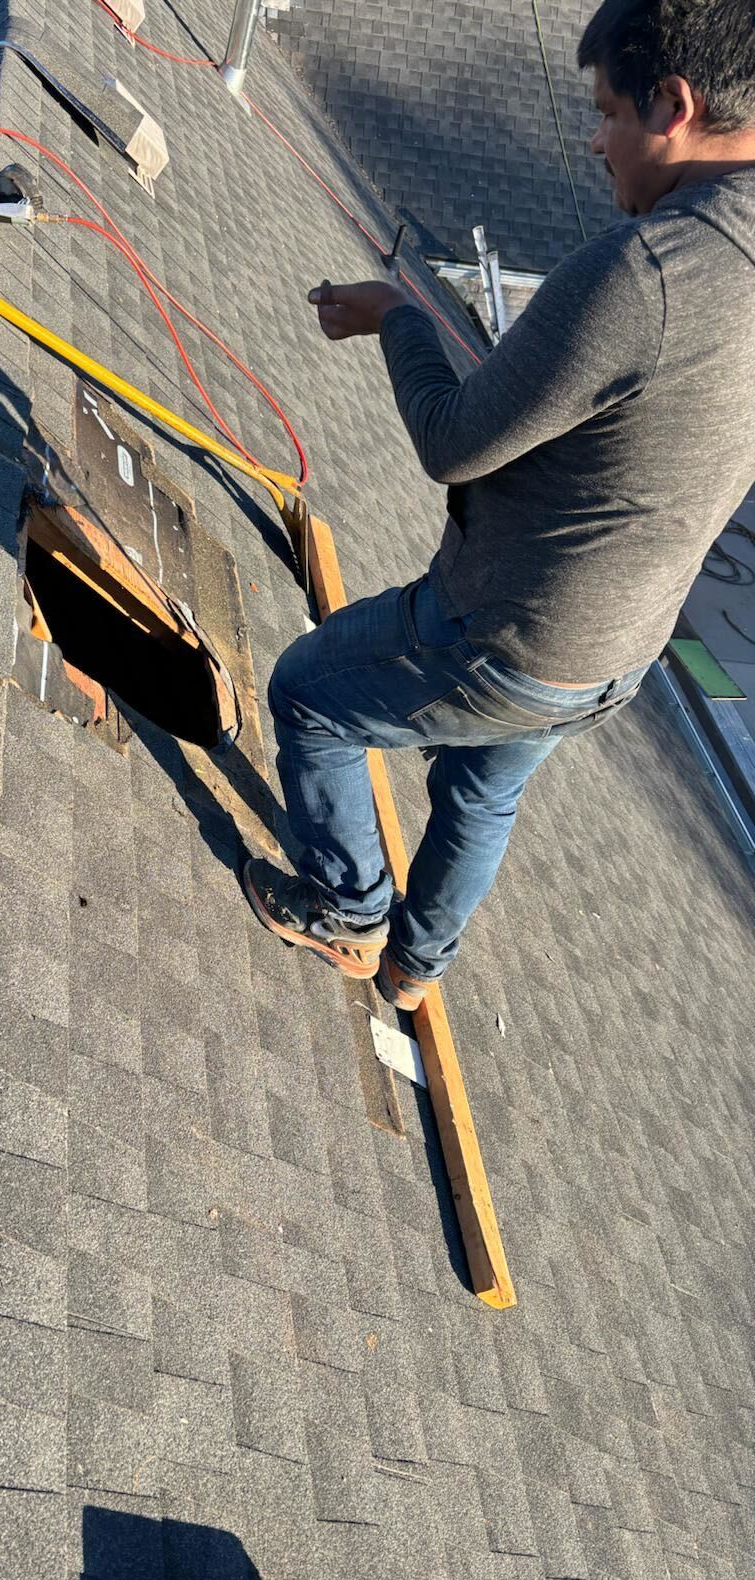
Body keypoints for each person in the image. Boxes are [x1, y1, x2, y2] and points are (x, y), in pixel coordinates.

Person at [242, 0, 755, 1010]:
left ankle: (350, 916)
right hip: (617, 651)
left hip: (508, 634)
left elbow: (453, 442)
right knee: (482, 792)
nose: (595, 141)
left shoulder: (646, 276)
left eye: (607, 112)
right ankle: (415, 968)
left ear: (675, 103)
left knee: (308, 697)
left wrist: (398, 315)